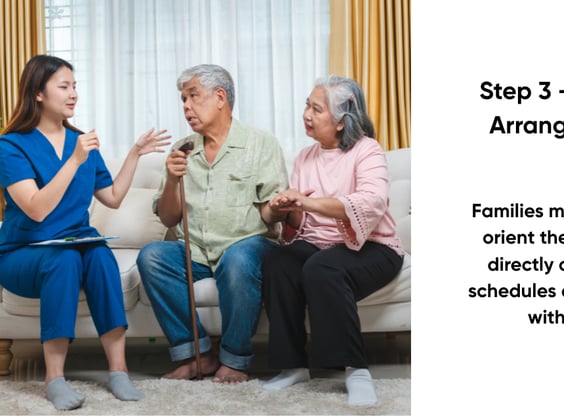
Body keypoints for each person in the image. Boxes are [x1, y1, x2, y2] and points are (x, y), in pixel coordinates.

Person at [0, 55, 170, 411]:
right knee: (62, 261)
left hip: (75, 244)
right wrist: (74, 160)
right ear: (38, 93)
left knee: (100, 257)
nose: (74, 93)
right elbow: (36, 208)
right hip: (22, 253)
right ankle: (55, 378)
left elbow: (113, 197)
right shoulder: (11, 146)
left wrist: (135, 154)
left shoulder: (81, 142)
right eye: (64, 86)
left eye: (75, 86)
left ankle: (119, 371)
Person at [136, 64, 289, 384]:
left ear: (220, 97)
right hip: (195, 249)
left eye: (193, 96)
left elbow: (268, 215)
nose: (186, 106)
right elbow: (169, 218)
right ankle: (197, 355)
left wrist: (278, 208)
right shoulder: (182, 149)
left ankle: (234, 359)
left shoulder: (260, 143)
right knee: (151, 257)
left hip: (246, 244)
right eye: (183, 99)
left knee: (237, 260)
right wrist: (171, 180)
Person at [261, 75, 405, 406]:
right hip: (319, 244)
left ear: (341, 121)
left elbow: (371, 202)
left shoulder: (367, 150)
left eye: (316, 109)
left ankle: (356, 370)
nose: (306, 115)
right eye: (307, 106)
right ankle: (293, 366)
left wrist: (308, 203)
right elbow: (301, 223)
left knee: (322, 267)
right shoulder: (305, 156)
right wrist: (287, 209)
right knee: (278, 262)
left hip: (374, 247)